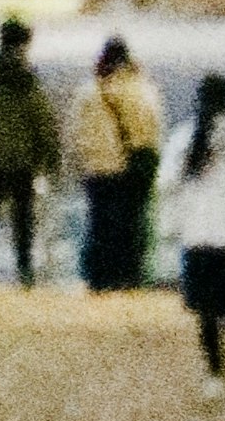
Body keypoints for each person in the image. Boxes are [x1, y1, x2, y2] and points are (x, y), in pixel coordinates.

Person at [165, 69, 225, 396]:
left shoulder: (183, 139)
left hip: (197, 235)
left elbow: (165, 183)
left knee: (205, 310)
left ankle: (214, 373)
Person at [0, 13, 61, 284]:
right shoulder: (25, 82)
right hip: (20, 162)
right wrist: (51, 158)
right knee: (23, 221)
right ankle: (25, 270)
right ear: (24, 44)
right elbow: (42, 123)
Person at [69, 33, 164, 296]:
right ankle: (128, 276)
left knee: (99, 225)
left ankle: (99, 278)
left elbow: (76, 133)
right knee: (129, 226)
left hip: (97, 169)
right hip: (129, 169)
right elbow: (151, 129)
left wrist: (85, 159)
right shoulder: (141, 89)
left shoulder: (87, 92)